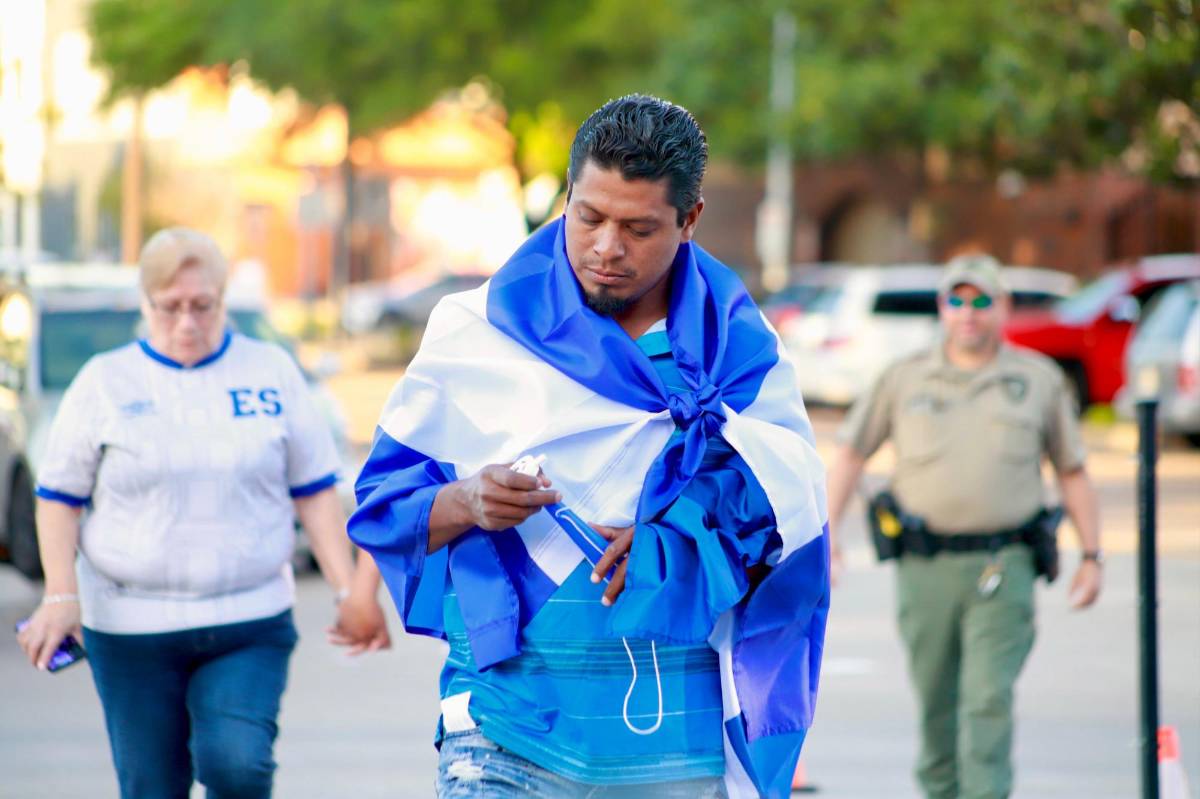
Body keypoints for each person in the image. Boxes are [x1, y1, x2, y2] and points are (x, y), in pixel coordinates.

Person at [348, 95, 830, 799]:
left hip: (672, 745)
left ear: (689, 220)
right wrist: (463, 499)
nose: (606, 248)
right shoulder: (477, 331)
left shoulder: (738, 355)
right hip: (503, 728)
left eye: (638, 228)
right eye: (589, 217)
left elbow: (788, 517)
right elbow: (382, 506)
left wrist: (674, 543)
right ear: (567, 196)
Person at [16, 227, 389, 799]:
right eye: (170, 308)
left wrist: (347, 591)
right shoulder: (105, 383)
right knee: (152, 785)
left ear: (222, 299)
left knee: (237, 766)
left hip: (249, 617)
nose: (187, 322)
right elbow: (59, 498)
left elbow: (313, 491)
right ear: (145, 304)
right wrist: (60, 596)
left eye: (202, 306)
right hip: (129, 626)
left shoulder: (270, 373)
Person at [824, 254, 1103, 799]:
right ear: (942, 309)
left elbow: (1072, 471)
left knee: (986, 699)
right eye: (958, 300)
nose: (969, 313)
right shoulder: (904, 378)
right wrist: (828, 539)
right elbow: (851, 456)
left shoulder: (1037, 380)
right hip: (926, 568)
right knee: (936, 704)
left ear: (1002, 307)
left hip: (1006, 565)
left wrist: (1092, 556)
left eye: (982, 301)